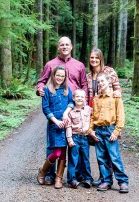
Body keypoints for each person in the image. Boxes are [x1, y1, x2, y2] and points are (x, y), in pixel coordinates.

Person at [36, 36, 88, 185]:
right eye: (62, 45)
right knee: (53, 146)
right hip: (55, 111)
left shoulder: (79, 65)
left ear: (71, 47)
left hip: (74, 111)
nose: (64, 47)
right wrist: (40, 89)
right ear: (58, 47)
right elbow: (41, 82)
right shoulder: (50, 65)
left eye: (67, 44)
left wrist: (84, 106)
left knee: (74, 145)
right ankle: (49, 175)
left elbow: (84, 85)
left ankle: (73, 176)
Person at [88, 72, 129, 193]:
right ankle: (106, 180)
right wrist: (91, 130)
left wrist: (116, 131)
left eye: (103, 81)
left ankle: (123, 181)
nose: (101, 84)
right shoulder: (96, 99)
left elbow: (120, 116)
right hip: (98, 131)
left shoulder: (115, 97)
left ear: (109, 81)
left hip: (110, 129)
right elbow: (93, 117)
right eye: (99, 82)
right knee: (101, 158)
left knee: (114, 157)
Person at [87, 48, 122, 186]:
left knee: (110, 149)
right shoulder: (89, 76)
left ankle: (113, 178)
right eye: (91, 58)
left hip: (108, 112)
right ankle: (104, 178)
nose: (94, 60)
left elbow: (118, 89)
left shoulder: (109, 71)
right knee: (99, 148)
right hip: (94, 112)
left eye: (96, 58)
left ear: (101, 58)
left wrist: (116, 94)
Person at [37, 65, 74, 189]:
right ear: (53, 75)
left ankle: (59, 178)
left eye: (62, 76)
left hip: (65, 125)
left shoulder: (67, 89)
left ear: (65, 78)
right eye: (58, 75)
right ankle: (43, 171)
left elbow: (71, 102)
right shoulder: (47, 90)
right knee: (56, 152)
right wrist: (55, 121)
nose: (60, 78)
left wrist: (65, 113)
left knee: (63, 153)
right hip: (54, 125)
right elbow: (45, 108)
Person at [66, 89, 96, 189]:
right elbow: (68, 127)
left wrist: (92, 131)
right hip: (74, 137)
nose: (80, 98)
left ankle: (88, 178)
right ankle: (72, 179)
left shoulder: (89, 109)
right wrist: (69, 139)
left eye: (82, 97)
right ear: (73, 98)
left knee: (85, 158)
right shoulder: (70, 112)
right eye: (77, 96)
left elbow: (93, 120)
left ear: (85, 99)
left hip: (85, 138)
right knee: (73, 159)